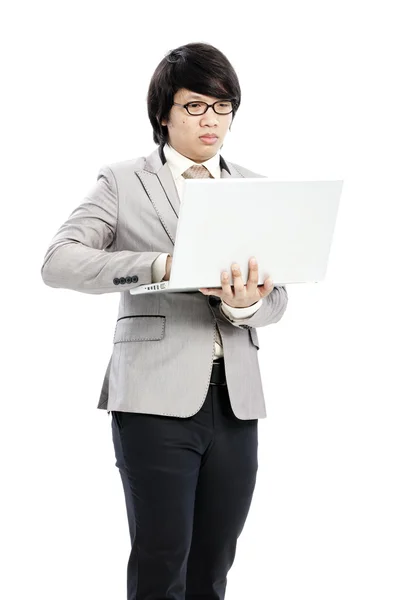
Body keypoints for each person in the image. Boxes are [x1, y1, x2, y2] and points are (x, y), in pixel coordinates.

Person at [41, 42, 288, 600]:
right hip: (154, 398)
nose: (212, 121)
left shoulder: (254, 188)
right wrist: (163, 265)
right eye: (197, 106)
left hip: (235, 402)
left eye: (223, 108)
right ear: (164, 113)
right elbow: (59, 262)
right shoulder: (124, 181)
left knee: (214, 565)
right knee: (161, 558)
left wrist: (244, 303)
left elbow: (278, 300)